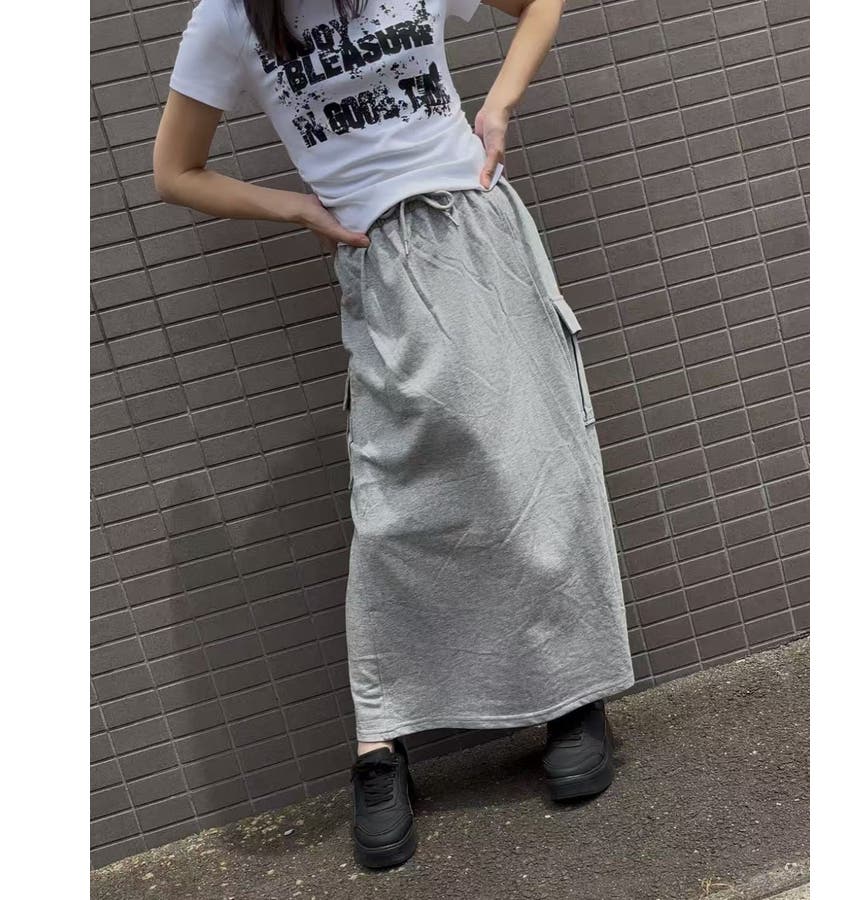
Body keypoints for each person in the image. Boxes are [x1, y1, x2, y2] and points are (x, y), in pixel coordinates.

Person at [154, 0, 635, 871]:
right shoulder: (228, 17)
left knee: (536, 462)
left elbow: (540, 5)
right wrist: (298, 211)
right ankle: (381, 744)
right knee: (392, 512)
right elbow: (176, 171)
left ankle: (572, 696)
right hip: (380, 264)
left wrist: (498, 105)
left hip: (479, 232)